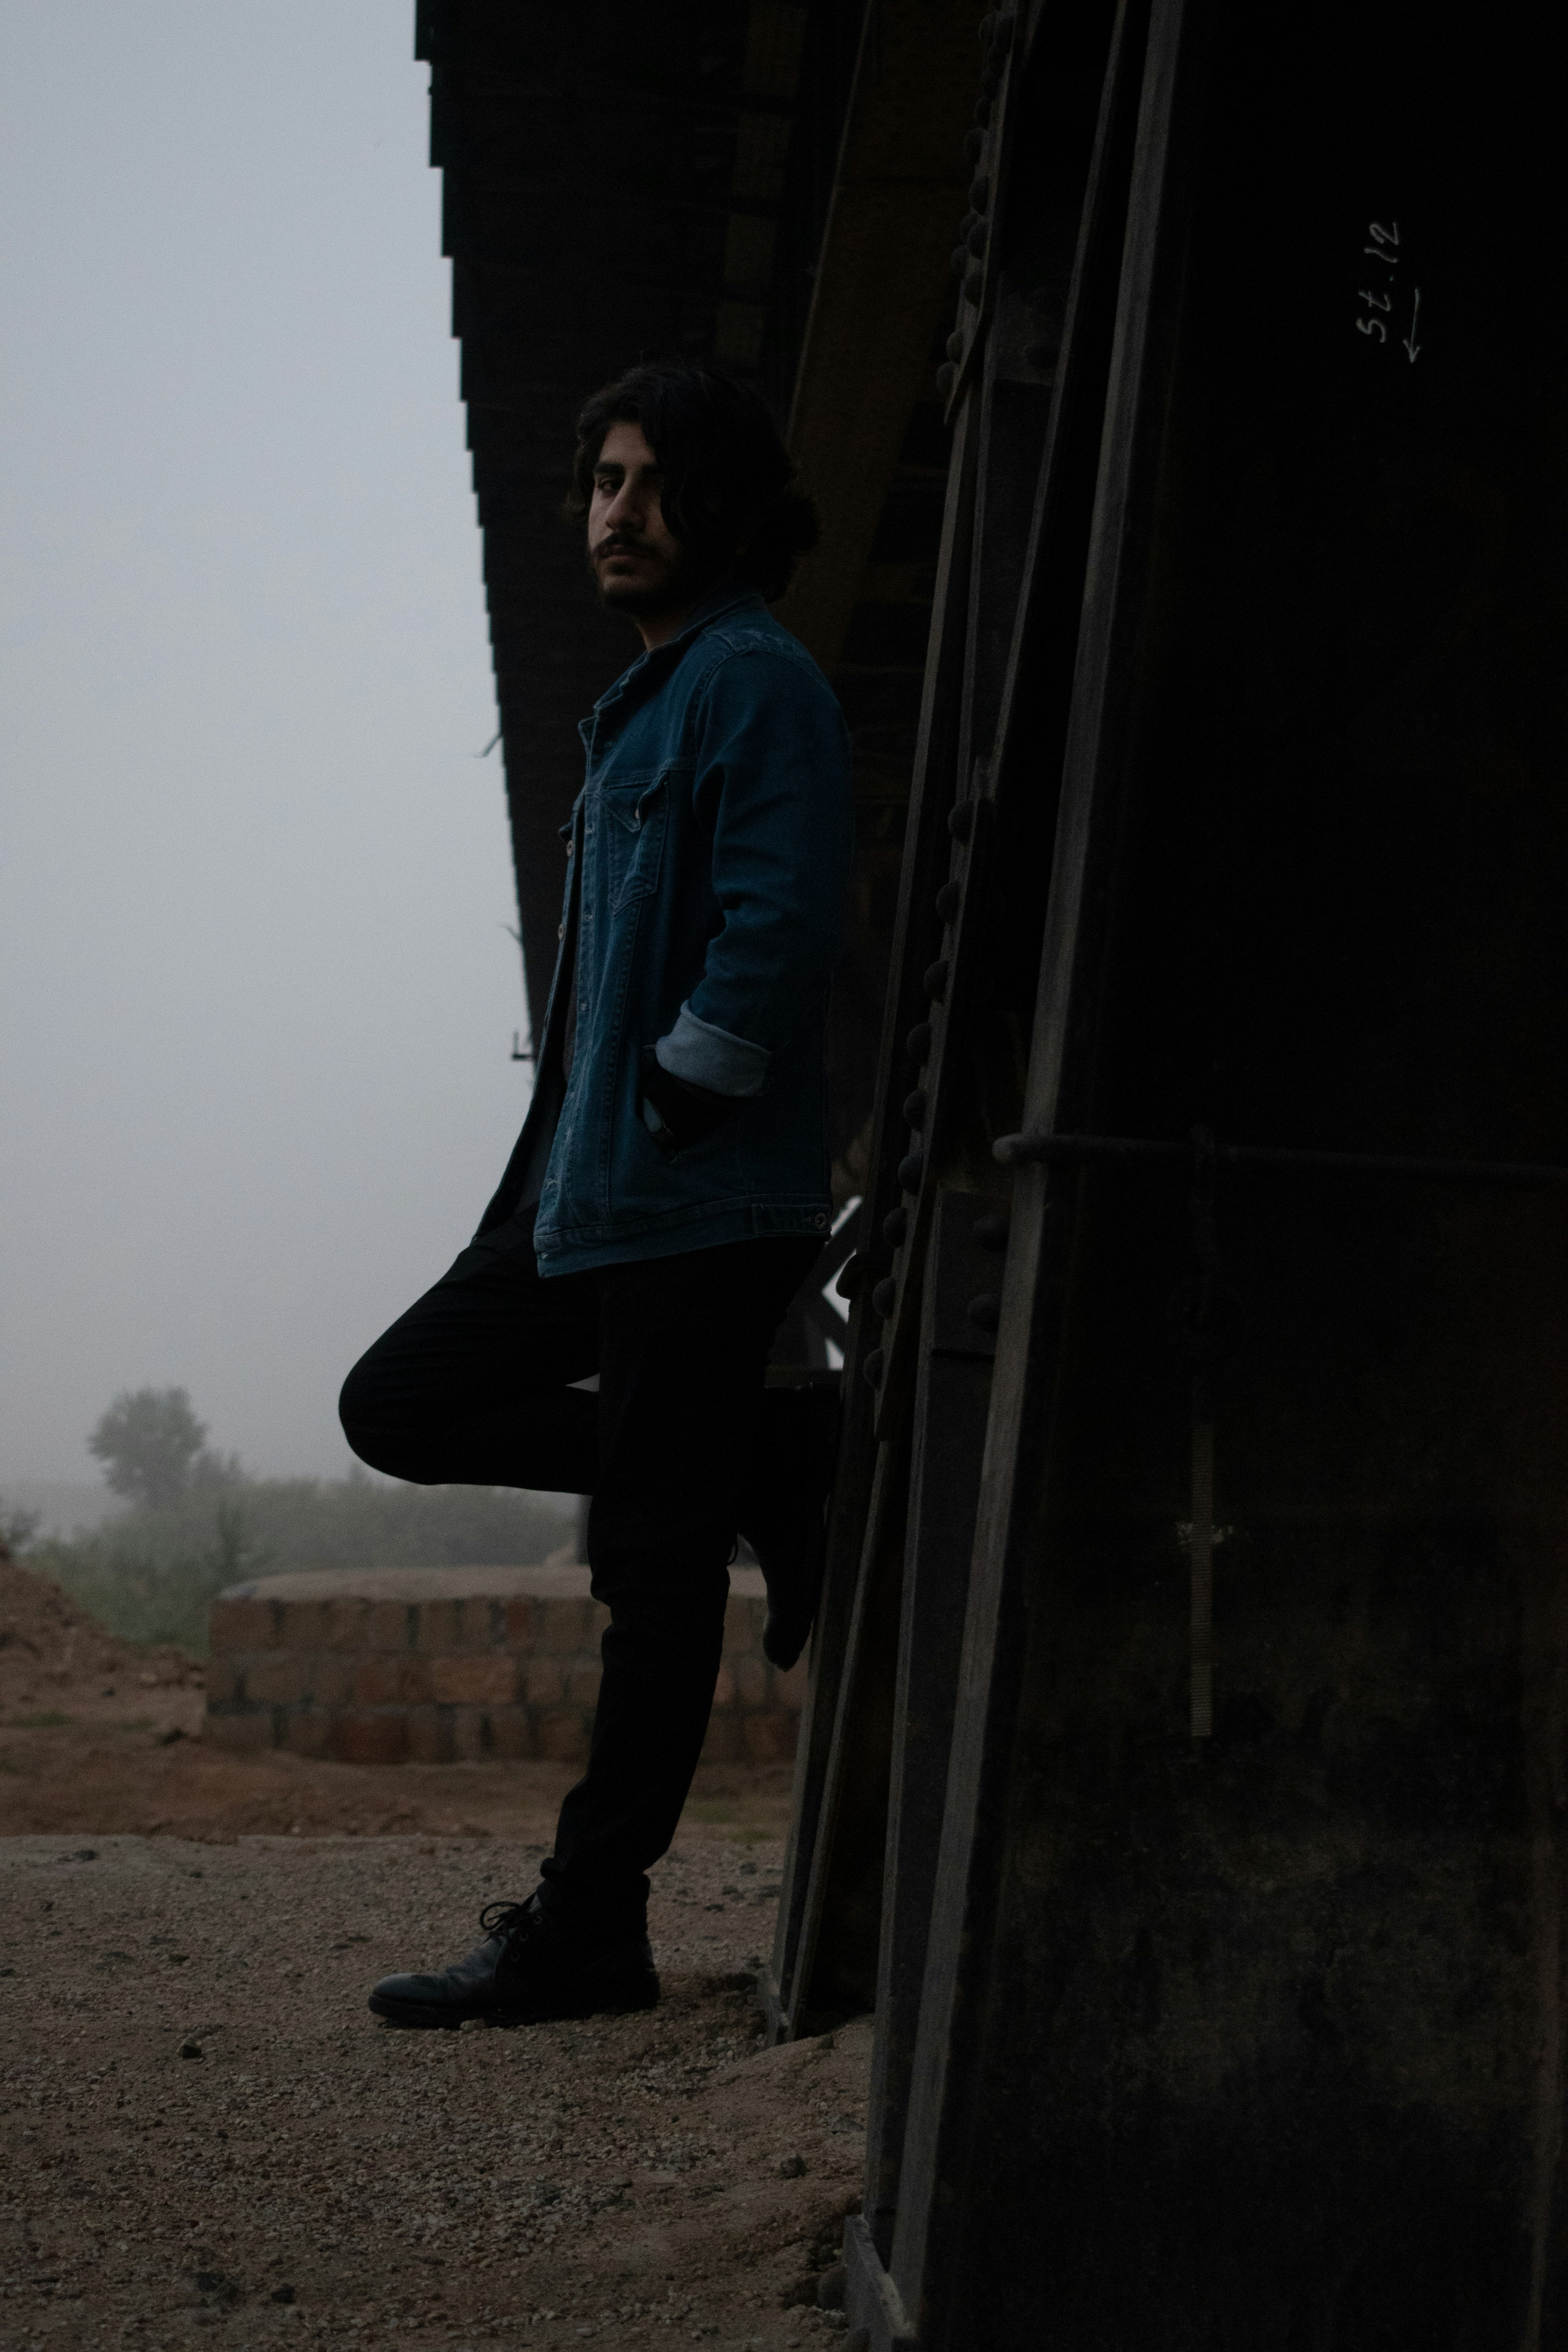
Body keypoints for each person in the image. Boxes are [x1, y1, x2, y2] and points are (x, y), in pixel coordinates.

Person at [338, 363, 853, 2030]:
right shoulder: (643, 699)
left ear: (717, 506)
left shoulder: (751, 682)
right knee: (402, 1401)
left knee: (652, 1573)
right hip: (594, 1190)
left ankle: (589, 1929)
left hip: (694, 1192)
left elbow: (777, 924)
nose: (613, 513)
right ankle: (765, 1458)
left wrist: (677, 1086)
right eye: (601, 483)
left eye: (648, 484)